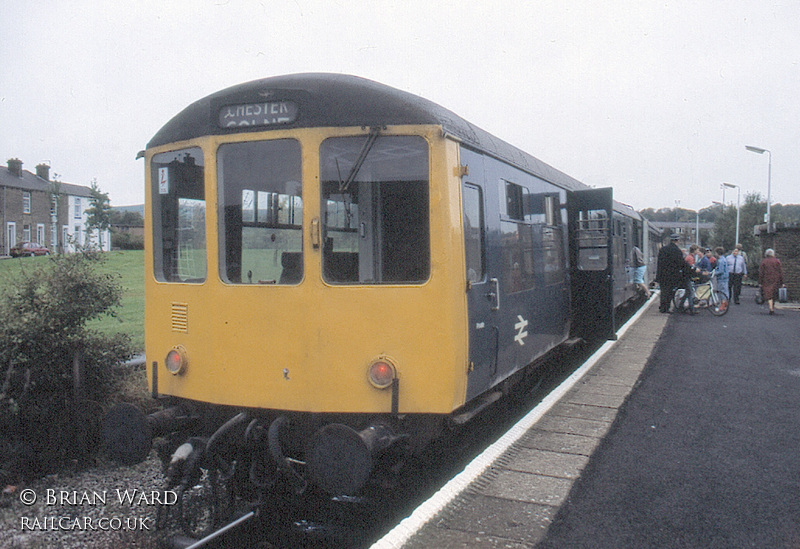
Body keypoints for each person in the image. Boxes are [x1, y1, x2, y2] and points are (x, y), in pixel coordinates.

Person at [656, 234, 687, 313]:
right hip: (672, 275)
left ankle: (662, 307)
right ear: (677, 240)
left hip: (662, 274)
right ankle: (667, 307)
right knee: (670, 292)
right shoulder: (677, 251)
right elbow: (681, 263)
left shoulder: (663, 249)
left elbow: (659, 263)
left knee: (663, 291)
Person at [758, 248, 785, 315]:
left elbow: (761, 272)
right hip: (776, 280)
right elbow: (780, 272)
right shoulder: (777, 261)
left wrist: (760, 282)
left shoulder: (764, 261)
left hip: (766, 280)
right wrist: (782, 282)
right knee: (774, 294)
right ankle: (772, 306)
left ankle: (771, 308)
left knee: (768, 294)